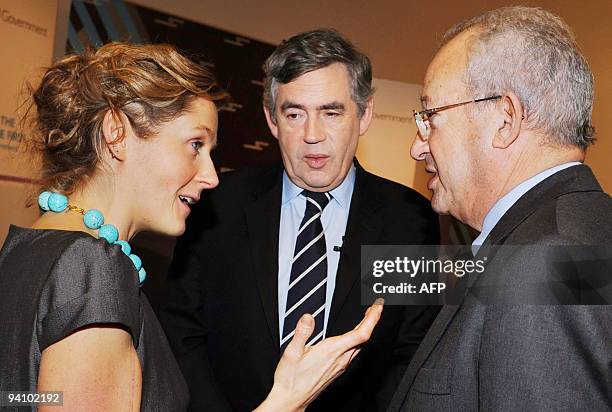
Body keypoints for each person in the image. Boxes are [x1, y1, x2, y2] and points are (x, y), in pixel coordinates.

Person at [0, 42, 384, 412]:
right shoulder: (92, 267)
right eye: (195, 145)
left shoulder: (31, 244)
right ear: (116, 133)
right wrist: (285, 400)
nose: (211, 176)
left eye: (332, 113)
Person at [159, 29, 440, 412]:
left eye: (331, 112)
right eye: (294, 114)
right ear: (272, 120)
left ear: (365, 114)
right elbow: (182, 334)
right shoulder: (216, 204)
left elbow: (412, 353)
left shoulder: (410, 218)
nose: (312, 135)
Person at [387, 6, 612, 411]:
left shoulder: (542, 265)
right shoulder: (583, 228)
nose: (417, 147)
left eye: (430, 118)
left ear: (505, 119)